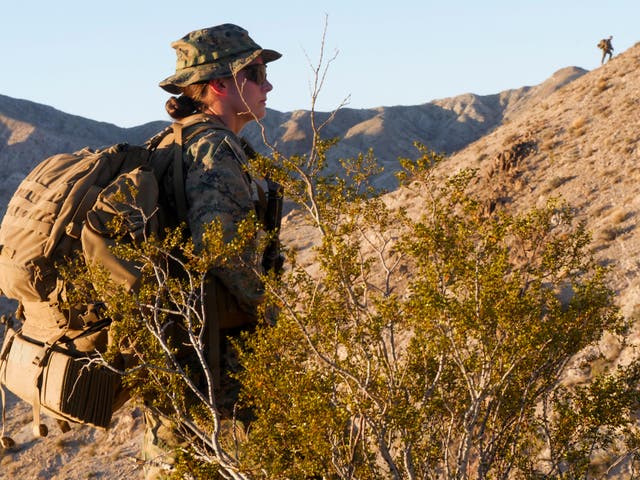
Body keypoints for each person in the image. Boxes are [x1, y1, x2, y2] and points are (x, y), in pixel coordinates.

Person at [142, 23, 281, 478]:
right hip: (218, 366)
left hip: (176, 352)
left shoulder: (168, 144)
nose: (268, 85)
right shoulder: (213, 147)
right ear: (220, 84)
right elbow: (222, 249)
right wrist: (276, 314)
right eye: (256, 74)